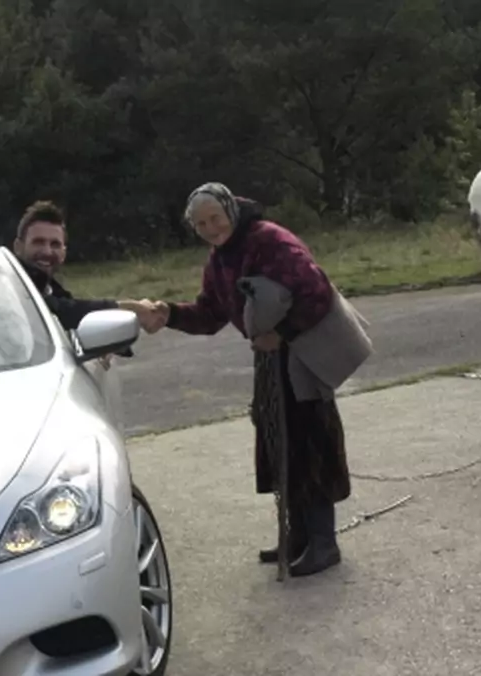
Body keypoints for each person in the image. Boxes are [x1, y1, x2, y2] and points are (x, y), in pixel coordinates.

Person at [145, 183, 371, 578]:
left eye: (215, 217)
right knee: (278, 442)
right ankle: (298, 538)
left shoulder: (270, 240)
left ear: (231, 209)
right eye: (200, 223)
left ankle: (323, 543)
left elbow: (315, 291)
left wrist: (283, 332)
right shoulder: (219, 258)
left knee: (309, 442)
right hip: (270, 360)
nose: (210, 228)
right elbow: (210, 314)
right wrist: (170, 314)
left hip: (302, 355)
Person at [10, 201, 161, 368]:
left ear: (64, 252)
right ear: (18, 247)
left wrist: (102, 344)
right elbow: (62, 311)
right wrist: (133, 309)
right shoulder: (13, 292)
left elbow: (68, 309)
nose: (47, 251)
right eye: (38, 242)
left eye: (55, 244)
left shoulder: (51, 289)